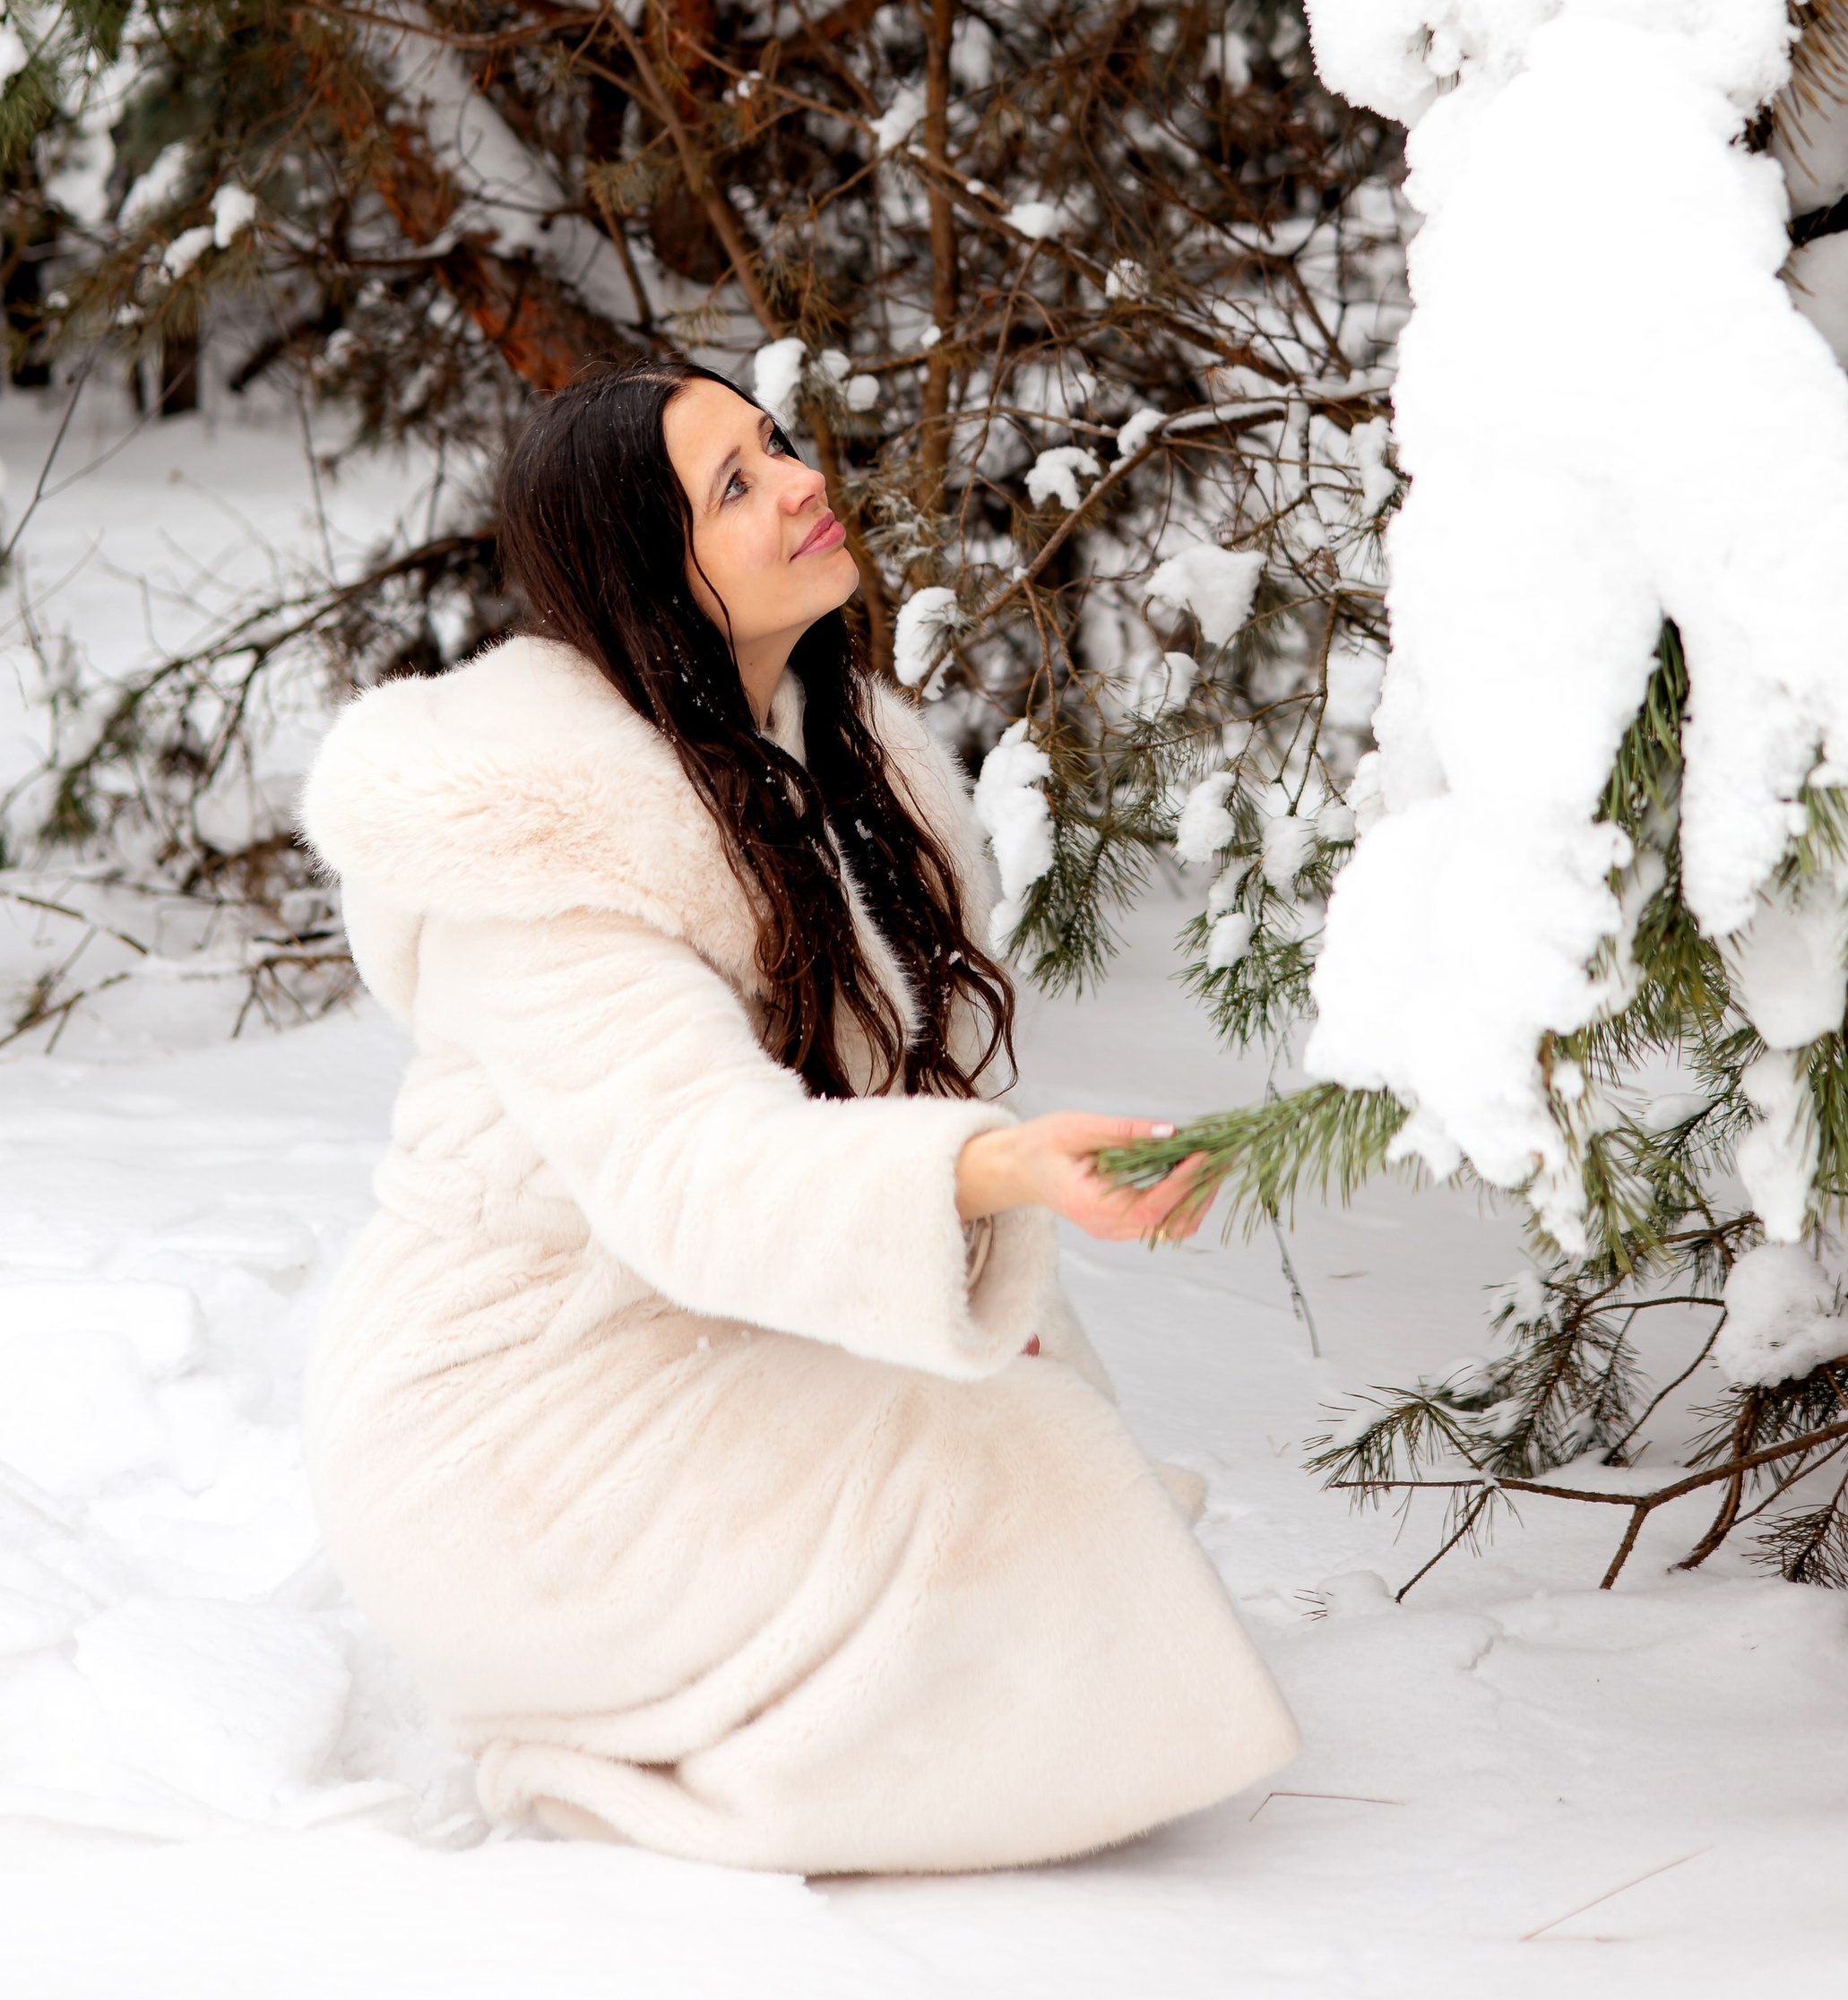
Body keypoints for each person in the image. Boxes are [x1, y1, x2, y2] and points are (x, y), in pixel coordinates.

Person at [298, 358, 1296, 1872]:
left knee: (1053, 1472)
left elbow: (877, 1105)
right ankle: (608, 1756)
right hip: (512, 1433)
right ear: (648, 571)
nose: (803, 480)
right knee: (1019, 1500)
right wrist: (994, 1165)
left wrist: (1001, 1227)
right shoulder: (553, 839)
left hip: (696, 1346)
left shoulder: (826, 763)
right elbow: (698, 1167)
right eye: (736, 487)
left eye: (775, 446)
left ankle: (815, 1669)